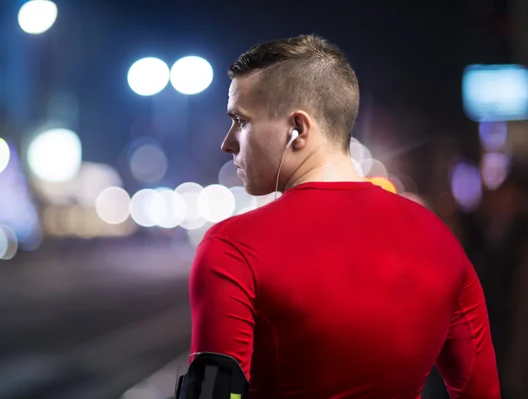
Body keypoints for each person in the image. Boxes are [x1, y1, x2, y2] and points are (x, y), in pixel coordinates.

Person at [186, 34, 501, 399]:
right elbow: (481, 392)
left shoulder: (231, 248)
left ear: (298, 129)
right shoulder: (440, 240)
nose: (227, 142)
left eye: (241, 121)